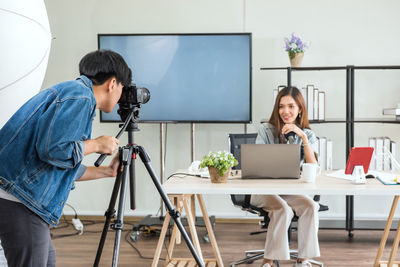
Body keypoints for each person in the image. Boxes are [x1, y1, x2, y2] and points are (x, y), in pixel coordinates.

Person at [0, 49, 132, 267]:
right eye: (122, 88)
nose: (121, 96)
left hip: (19, 196)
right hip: (20, 201)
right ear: (112, 83)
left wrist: (106, 171)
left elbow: (53, 166)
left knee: (47, 261)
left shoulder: (72, 93)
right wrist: (96, 144)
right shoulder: (80, 96)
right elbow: (53, 150)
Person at [250, 86, 320, 267]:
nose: (285, 111)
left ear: (299, 110)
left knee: (311, 206)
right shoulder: (266, 130)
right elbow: (257, 162)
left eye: (291, 106)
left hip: (288, 191)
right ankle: (268, 261)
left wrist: (303, 138)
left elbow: (313, 168)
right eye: (281, 106)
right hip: (263, 189)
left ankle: (304, 259)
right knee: (283, 209)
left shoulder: (307, 134)